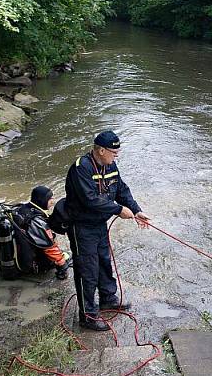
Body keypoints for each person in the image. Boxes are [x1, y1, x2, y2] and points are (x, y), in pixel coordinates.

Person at [65, 130, 151, 331]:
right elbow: (90, 199)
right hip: (82, 227)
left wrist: (136, 211)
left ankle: (107, 299)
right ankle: (87, 316)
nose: (116, 155)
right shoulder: (81, 168)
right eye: (113, 151)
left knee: (104, 262)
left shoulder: (110, 165)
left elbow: (121, 190)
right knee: (87, 269)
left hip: (99, 225)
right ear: (100, 150)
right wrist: (119, 210)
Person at [12, 186, 71, 279]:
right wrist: (62, 267)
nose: (53, 201)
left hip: (20, 257)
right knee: (68, 256)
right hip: (34, 264)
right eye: (50, 198)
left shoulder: (22, 209)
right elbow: (50, 248)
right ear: (42, 200)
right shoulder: (37, 221)